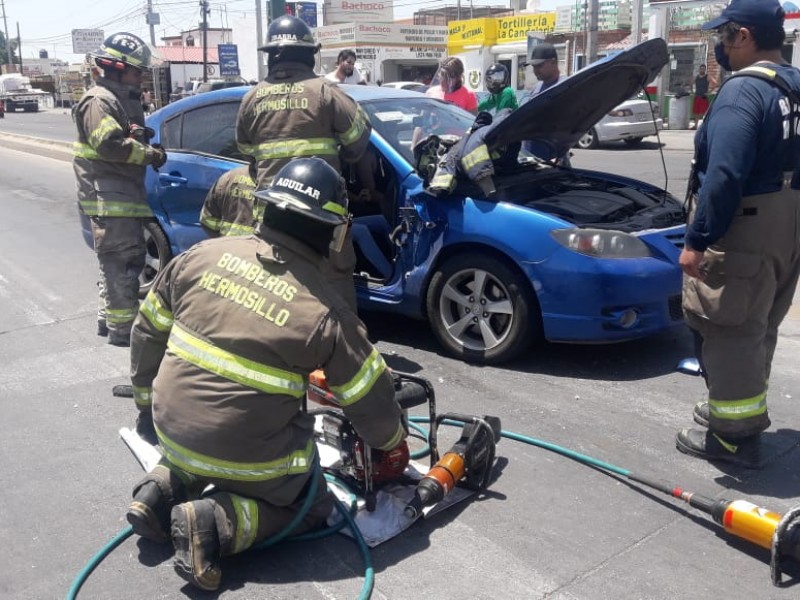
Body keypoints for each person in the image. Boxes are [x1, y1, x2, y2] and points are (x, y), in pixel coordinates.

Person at [125, 158, 407, 591]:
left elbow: (145, 333)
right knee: (312, 504)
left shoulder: (198, 257)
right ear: (334, 231)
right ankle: (212, 523)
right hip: (250, 459)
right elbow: (375, 410)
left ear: (266, 208)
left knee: (204, 439)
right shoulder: (327, 313)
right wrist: (391, 442)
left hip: (170, 431)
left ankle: (162, 487)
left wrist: (145, 404)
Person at [676, 0, 800, 468]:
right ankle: (742, 411)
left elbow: (723, 175)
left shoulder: (743, 92)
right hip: (788, 225)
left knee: (726, 327)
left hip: (746, 225)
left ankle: (732, 438)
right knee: (759, 325)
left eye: (722, 36)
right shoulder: (795, 87)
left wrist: (697, 241)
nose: (718, 46)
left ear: (743, 36)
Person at [236, 15, 372, 311]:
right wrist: (344, 159)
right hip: (325, 213)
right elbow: (360, 137)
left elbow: (247, 151)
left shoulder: (251, 98)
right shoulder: (326, 92)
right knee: (336, 274)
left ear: (270, 56)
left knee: (274, 281)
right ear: (310, 54)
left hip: (271, 213)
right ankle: (342, 345)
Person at [73, 32, 167, 347]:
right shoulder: (99, 99)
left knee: (120, 264)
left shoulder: (119, 100)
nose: (140, 76)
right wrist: (151, 155)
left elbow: (127, 134)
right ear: (116, 66)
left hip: (124, 197)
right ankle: (122, 332)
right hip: (110, 198)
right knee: (122, 265)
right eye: (136, 70)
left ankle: (108, 320)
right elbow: (109, 144)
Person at [522, 43, 569, 165]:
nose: (535, 70)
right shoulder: (536, 89)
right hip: (530, 158)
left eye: (539, 66)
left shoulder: (565, 87)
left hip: (553, 160)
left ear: (553, 62)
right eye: (534, 66)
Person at [199, 158, 260, 237]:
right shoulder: (278, 185)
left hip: (226, 247)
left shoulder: (228, 178)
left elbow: (208, 221)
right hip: (261, 248)